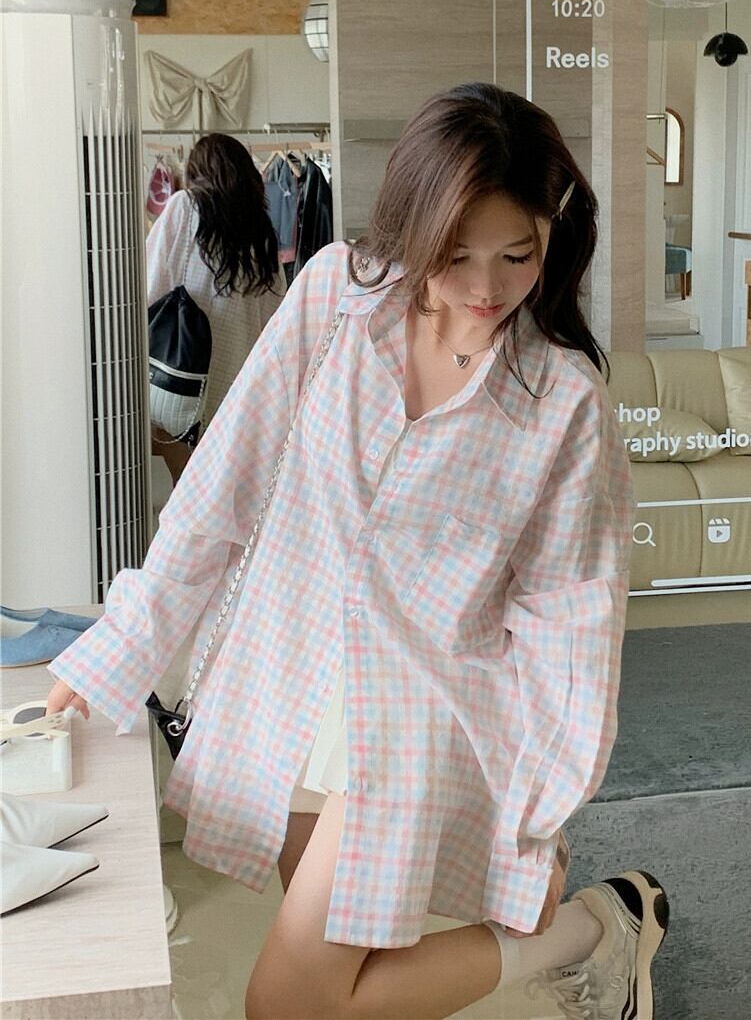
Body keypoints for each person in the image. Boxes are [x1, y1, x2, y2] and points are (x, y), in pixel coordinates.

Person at [47, 83, 668, 1020]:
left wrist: (536, 817)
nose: (487, 288)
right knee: (344, 989)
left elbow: (570, 625)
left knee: (288, 1002)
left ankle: (595, 928)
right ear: (415, 224)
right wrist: (117, 645)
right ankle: (607, 927)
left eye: (517, 254)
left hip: (418, 715)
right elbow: (221, 488)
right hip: (290, 682)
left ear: (553, 231)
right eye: (456, 254)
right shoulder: (336, 297)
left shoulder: (563, 401)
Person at [147, 132, 286, 484]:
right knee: (215, 486)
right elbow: (274, 314)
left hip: (183, 370)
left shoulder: (184, 206)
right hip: (237, 382)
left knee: (185, 480)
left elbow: (150, 286)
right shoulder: (260, 231)